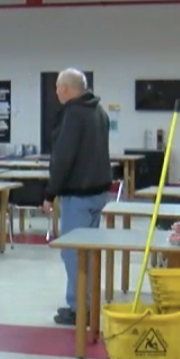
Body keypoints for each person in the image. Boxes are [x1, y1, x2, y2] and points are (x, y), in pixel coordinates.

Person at [43, 68, 112, 326]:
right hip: (98, 192)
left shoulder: (72, 115)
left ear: (66, 89)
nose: (57, 93)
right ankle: (90, 303)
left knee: (72, 253)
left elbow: (63, 158)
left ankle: (79, 309)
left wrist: (50, 193)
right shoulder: (99, 112)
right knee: (89, 253)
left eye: (58, 88)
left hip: (78, 195)